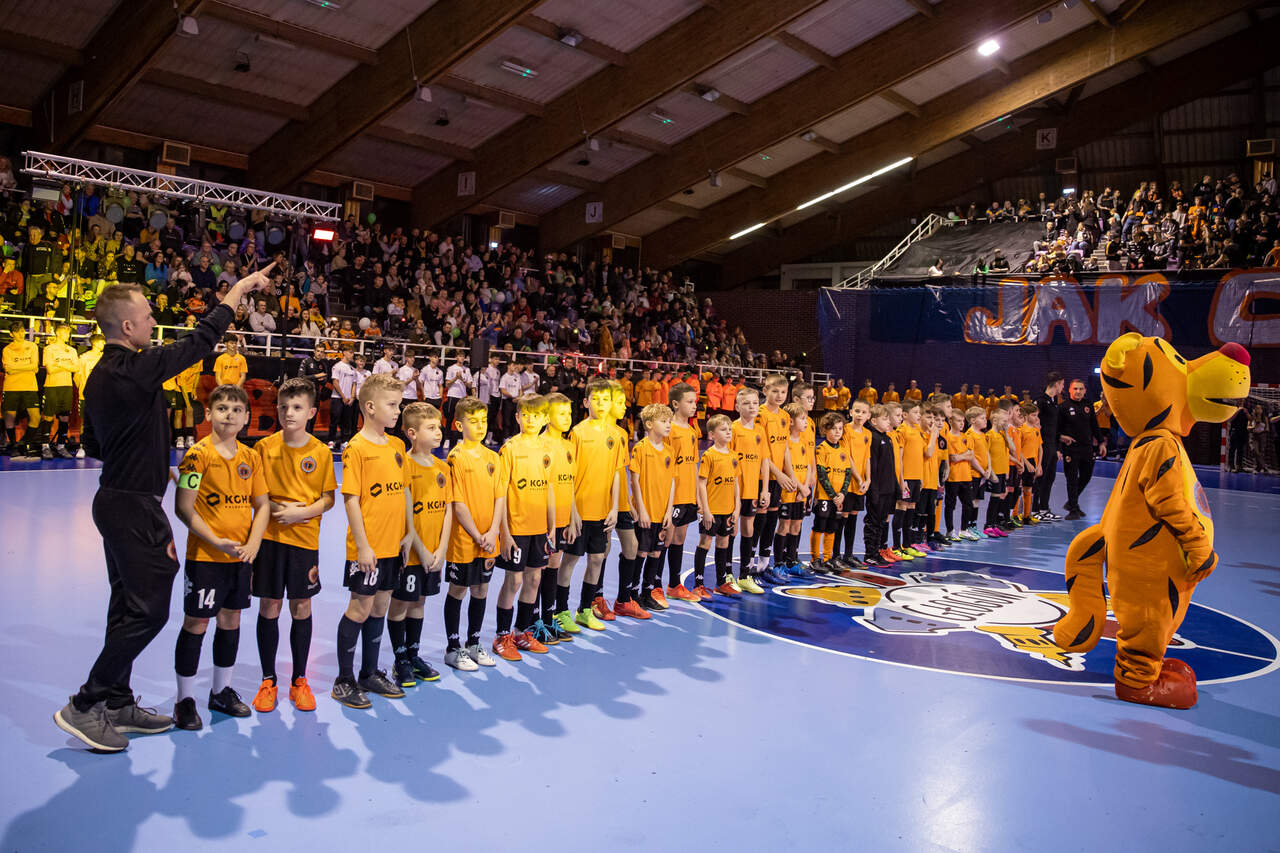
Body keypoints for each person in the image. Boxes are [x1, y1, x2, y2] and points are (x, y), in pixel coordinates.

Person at [53, 264, 272, 753]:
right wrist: (237, 291)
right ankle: (86, 703)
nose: (154, 322)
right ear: (127, 326)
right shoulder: (132, 368)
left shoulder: (100, 377)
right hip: (134, 508)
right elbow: (198, 342)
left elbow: (96, 444)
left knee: (125, 606)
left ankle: (117, 701)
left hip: (116, 500)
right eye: (148, 317)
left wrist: (145, 462)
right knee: (150, 611)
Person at [170, 384, 270, 730]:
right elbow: (184, 507)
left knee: (231, 620)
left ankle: (220, 691)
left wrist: (254, 543)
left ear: (246, 417)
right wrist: (216, 541)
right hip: (205, 557)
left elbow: (262, 504)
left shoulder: (251, 457)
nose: (230, 415)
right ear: (209, 414)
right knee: (196, 623)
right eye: (223, 408)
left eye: (237, 409)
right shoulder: (197, 456)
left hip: (240, 558)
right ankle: (184, 700)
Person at [250, 378, 336, 712]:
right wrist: (274, 509)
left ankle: (300, 679)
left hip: (303, 540)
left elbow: (328, 499)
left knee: (301, 606)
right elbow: (254, 494)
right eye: (284, 406)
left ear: (311, 412)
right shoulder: (263, 448)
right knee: (269, 606)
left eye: (297, 407)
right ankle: (268, 680)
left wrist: (302, 512)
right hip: (269, 539)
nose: (289, 413)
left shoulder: (320, 452)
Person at [330, 372, 413, 709]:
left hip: (394, 545)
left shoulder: (397, 446)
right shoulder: (357, 448)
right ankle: (343, 679)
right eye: (392, 405)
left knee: (380, 606)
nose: (397, 410)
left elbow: (404, 491)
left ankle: (369, 673)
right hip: (368, 548)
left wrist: (408, 532)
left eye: (399, 404)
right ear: (370, 407)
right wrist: (363, 546)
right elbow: (351, 500)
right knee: (360, 607)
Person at [389, 402, 451, 686]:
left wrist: (442, 548)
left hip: (434, 552)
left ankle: (414, 655)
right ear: (412, 433)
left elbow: (448, 509)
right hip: (413, 553)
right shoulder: (404, 465)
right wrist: (422, 550)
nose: (438, 432)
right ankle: (400, 658)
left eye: (439, 427)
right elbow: (405, 515)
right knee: (401, 603)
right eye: (431, 428)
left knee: (420, 601)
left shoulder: (442, 467)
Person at [490, 394, 555, 660]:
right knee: (514, 580)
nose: (530, 420)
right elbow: (501, 493)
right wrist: (504, 533)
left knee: (534, 579)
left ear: (545, 419)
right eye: (525, 415)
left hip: (539, 528)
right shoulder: (509, 449)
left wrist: (552, 526)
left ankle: (521, 632)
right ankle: (502, 635)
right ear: (517, 417)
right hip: (516, 528)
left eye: (536, 416)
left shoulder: (547, 449)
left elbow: (549, 488)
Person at [442, 397, 503, 671]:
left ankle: (474, 642)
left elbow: (500, 497)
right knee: (459, 589)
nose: (480, 426)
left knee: (481, 588)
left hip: (489, 539)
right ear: (459, 425)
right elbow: (458, 502)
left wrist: (493, 530)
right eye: (473, 421)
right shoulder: (455, 458)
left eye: (484, 421)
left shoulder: (493, 457)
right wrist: (478, 535)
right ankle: (453, 648)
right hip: (465, 539)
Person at [557, 379, 622, 632]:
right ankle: (561, 611)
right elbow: (569, 476)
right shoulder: (577, 433)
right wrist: (572, 513)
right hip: (580, 511)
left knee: (597, 559)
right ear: (586, 402)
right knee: (570, 560)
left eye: (605, 400)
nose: (601, 404)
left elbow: (617, 473)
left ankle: (584, 610)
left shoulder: (615, 434)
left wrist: (614, 507)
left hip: (603, 511)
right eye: (596, 399)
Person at [629, 403, 677, 613]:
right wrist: (642, 510)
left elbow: (672, 482)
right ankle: (633, 594)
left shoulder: (669, 450)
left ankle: (647, 594)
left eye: (669, 421)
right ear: (649, 424)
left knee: (656, 553)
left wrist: (669, 511)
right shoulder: (641, 448)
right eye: (663, 421)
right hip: (646, 513)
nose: (668, 425)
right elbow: (634, 481)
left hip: (661, 513)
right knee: (641, 551)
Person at [542, 393, 581, 641]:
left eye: (569, 413)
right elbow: (545, 487)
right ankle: (534, 623)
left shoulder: (568, 446)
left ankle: (548, 620)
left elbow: (570, 484)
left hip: (564, 519)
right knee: (537, 572)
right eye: (561, 413)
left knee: (553, 568)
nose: (567, 418)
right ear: (547, 416)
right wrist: (550, 524)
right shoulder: (541, 445)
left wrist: (573, 517)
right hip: (545, 521)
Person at [663, 383, 703, 601]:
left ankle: (674, 585)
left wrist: (697, 495)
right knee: (666, 539)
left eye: (695, 401)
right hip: (672, 494)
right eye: (689, 402)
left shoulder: (692, 431)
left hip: (688, 493)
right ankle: (654, 586)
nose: (694, 405)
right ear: (676, 404)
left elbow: (694, 464)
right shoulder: (669, 429)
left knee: (680, 538)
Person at [755, 374, 795, 581]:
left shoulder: (785, 416)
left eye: (783, 392)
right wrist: (778, 474)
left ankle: (763, 566)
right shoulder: (760, 415)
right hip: (761, 476)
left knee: (772, 520)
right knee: (758, 521)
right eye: (775, 391)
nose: (779, 396)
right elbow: (761, 451)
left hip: (778, 478)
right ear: (765, 391)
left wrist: (790, 474)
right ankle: (749, 566)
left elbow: (785, 447)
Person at [695, 414, 740, 596]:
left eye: (729, 429)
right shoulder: (709, 455)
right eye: (723, 429)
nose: (728, 432)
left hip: (728, 510)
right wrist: (705, 510)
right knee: (705, 542)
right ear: (712, 434)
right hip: (712, 510)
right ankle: (698, 584)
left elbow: (735, 483)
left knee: (723, 542)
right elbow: (701, 484)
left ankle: (721, 583)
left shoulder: (733, 455)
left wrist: (737, 507)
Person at [730, 386, 769, 594]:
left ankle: (744, 575)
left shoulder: (760, 430)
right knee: (731, 529)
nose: (752, 407)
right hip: (733, 490)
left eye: (755, 403)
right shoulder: (733, 429)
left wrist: (765, 489)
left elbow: (764, 460)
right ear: (737, 407)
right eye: (746, 403)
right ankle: (726, 575)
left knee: (749, 529)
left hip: (752, 489)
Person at [776, 402, 815, 576]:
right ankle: (779, 562)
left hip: (802, 492)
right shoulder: (785, 442)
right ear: (791, 421)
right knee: (784, 525)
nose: (806, 422)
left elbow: (807, 465)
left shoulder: (804, 442)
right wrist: (799, 487)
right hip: (788, 491)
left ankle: (791, 560)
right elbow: (786, 467)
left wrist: (805, 487)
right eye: (802, 419)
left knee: (796, 525)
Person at [1057, 379, 1104, 519]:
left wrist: (1101, 442)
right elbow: (1056, 429)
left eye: (1081, 389)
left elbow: (1094, 425)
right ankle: (1073, 508)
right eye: (1075, 389)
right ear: (1070, 390)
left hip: (1087, 447)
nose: (1078, 391)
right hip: (1070, 449)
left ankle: (1072, 503)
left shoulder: (1088, 404)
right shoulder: (1063, 407)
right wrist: (1060, 442)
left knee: (1086, 476)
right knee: (1071, 478)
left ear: (1085, 391)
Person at [812, 412, 852, 571]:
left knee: (832, 527)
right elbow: (822, 475)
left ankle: (828, 558)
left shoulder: (843, 450)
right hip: (824, 496)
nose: (837, 432)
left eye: (840, 429)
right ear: (825, 430)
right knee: (819, 526)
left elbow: (847, 474)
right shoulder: (822, 449)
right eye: (834, 428)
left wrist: (842, 494)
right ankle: (815, 558)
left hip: (839, 498)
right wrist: (833, 495)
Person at [836, 399, 871, 568]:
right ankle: (835, 555)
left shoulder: (867, 434)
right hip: (847, 482)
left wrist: (868, 479)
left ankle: (848, 555)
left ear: (869, 415)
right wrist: (859, 478)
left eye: (863, 412)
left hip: (861, 484)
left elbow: (868, 458)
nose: (860, 415)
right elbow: (847, 457)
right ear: (850, 412)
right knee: (842, 518)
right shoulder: (846, 430)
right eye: (857, 411)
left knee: (853, 518)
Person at [863, 405, 898, 568]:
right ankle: (870, 554)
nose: (888, 422)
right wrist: (874, 491)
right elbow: (874, 467)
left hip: (888, 488)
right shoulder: (874, 438)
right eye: (884, 419)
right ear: (874, 421)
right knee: (873, 523)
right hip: (877, 490)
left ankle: (877, 551)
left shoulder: (887, 438)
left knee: (882, 522)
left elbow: (891, 466)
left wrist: (895, 487)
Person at [40, 323, 80, 459]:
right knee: (48, 416)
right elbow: (50, 369)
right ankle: (45, 446)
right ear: (58, 333)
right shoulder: (49, 349)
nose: (68, 335)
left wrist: (59, 363)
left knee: (64, 417)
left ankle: (61, 446)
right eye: (66, 332)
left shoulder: (72, 350)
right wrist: (67, 365)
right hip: (52, 386)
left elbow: (76, 368)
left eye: (68, 333)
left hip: (66, 386)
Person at [2, 321, 41, 459]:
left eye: (23, 330)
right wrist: (27, 366)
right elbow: (8, 370)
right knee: (10, 417)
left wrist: (16, 367)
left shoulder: (32, 346)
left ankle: (25, 444)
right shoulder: (7, 349)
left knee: (36, 417)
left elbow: (35, 367)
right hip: (12, 387)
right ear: (11, 334)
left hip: (30, 386)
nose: (21, 333)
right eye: (17, 331)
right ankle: (13, 445)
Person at [1033, 371, 1064, 520]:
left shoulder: (1054, 401)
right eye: (1062, 384)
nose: (1063, 387)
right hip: (1042, 445)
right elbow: (1034, 424)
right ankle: (1034, 510)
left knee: (1050, 477)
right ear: (1056, 384)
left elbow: (1056, 428)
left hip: (1052, 446)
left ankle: (1044, 508)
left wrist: (1057, 448)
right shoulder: (1040, 401)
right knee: (1040, 477)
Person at [74, 333, 106, 458]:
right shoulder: (84, 358)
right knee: (85, 422)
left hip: (102, 396)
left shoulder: (105, 357)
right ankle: (82, 447)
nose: (104, 344)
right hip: (86, 396)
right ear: (95, 343)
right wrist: (84, 388)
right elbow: (77, 377)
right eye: (102, 342)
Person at [164, 356, 202, 449]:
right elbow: (182, 384)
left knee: (190, 413)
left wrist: (194, 389)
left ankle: (189, 438)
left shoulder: (199, 359)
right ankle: (179, 438)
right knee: (178, 413)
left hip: (189, 390)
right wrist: (188, 404)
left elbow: (197, 374)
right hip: (179, 390)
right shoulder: (184, 361)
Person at [1016, 402, 1043, 525]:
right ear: (1026, 415)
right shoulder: (1021, 429)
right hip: (1023, 462)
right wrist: (1026, 463)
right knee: (1019, 488)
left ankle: (1027, 515)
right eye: (1033, 415)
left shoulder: (1036, 430)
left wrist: (1039, 465)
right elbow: (1018, 449)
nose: (1036, 418)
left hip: (1033, 461)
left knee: (1029, 489)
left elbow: (1040, 448)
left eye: (1037, 415)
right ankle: (1015, 515)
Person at [328, 349, 357, 449]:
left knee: (346, 421)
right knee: (334, 420)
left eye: (353, 353)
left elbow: (354, 384)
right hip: (337, 398)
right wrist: (343, 396)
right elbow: (335, 382)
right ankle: (331, 440)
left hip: (348, 399)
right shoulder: (337, 366)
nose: (352, 354)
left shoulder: (353, 369)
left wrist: (352, 397)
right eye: (350, 352)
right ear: (344, 353)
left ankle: (344, 441)